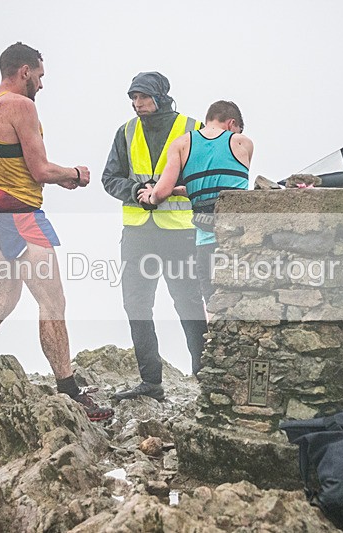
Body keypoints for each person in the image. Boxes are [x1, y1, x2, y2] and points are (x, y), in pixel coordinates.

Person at [0, 42, 114, 422]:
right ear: (25, 72)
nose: (42, 86)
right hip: (22, 217)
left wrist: (54, 178)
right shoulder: (22, 106)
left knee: (2, 301)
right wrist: (76, 175)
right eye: (41, 76)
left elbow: (7, 163)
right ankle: (69, 390)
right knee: (53, 304)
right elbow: (39, 171)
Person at [102, 72, 207, 401]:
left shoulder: (193, 129)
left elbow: (206, 180)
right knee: (136, 306)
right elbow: (109, 178)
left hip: (180, 234)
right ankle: (151, 382)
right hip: (138, 235)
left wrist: (166, 191)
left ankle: (205, 379)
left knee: (188, 305)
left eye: (143, 97)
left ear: (161, 95)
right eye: (133, 98)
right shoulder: (127, 131)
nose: (137, 104)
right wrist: (135, 191)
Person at [142, 100, 253, 301]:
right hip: (238, 238)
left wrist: (150, 195)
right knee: (241, 299)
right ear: (231, 123)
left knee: (213, 303)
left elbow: (162, 192)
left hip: (207, 240)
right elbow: (226, 190)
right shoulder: (242, 143)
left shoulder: (182, 144)